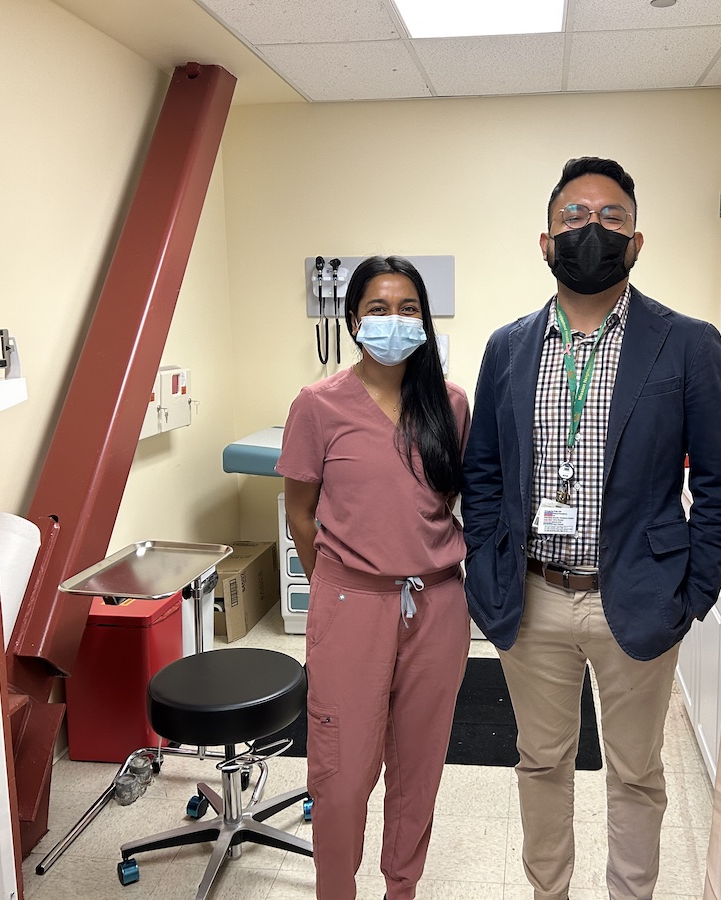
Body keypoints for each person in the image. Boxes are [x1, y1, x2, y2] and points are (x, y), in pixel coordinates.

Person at [461, 157, 721, 900]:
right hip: (532, 595)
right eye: (575, 218)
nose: (593, 229)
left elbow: (719, 479)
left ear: (638, 241)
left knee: (636, 772)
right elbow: (482, 471)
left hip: (644, 597)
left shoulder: (687, 343)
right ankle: (547, 891)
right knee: (542, 762)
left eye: (611, 217)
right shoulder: (507, 347)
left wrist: (694, 593)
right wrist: (485, 574)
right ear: (546, 242)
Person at [277, 255, 472, 900]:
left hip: (438, 608)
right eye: (379, 309)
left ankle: (402, 889)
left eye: (409, 309)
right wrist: (340, 590)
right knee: (341, 772)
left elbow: (455, 503)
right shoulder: (318, 405)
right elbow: (301, 515)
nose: (395, 321)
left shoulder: (449, 405)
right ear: (353, 318)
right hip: (352, 604)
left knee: (418, 768)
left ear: (426, 320)